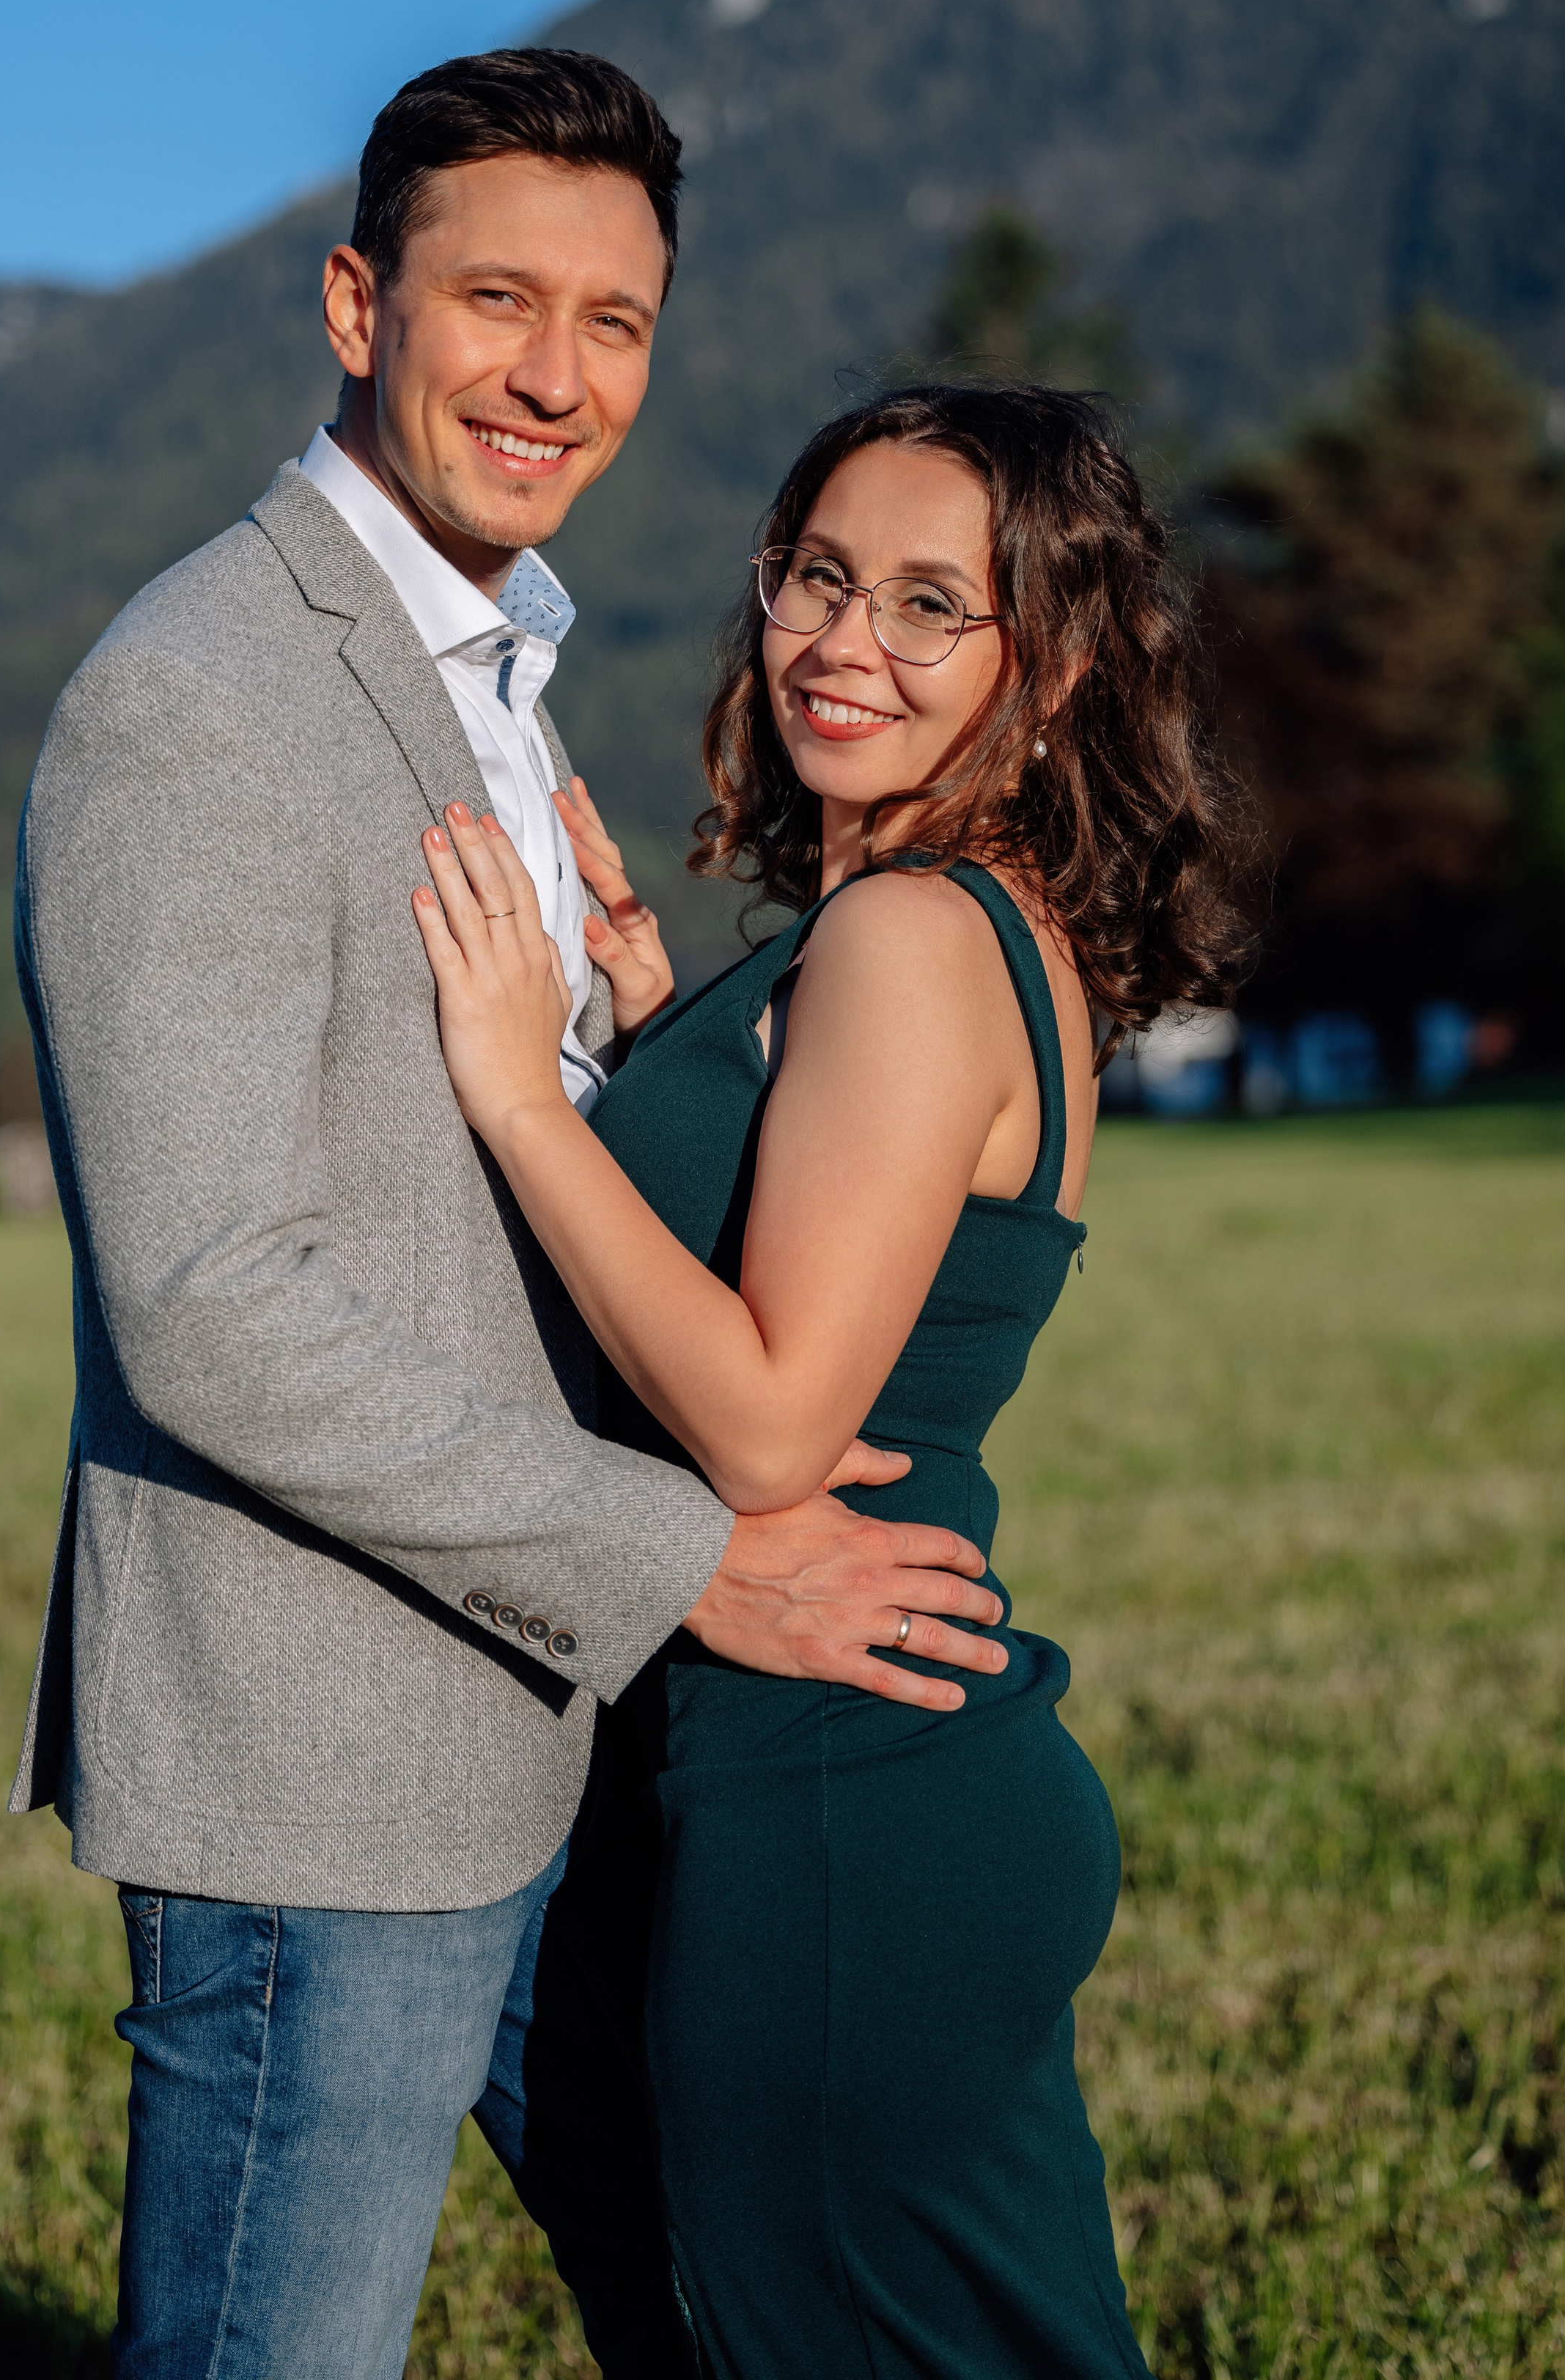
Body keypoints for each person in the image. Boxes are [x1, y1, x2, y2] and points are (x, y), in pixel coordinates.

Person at [7, 52, 1007, 2379]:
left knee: (734, 2310)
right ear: (359, 305)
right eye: (497, 301)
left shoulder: (491, 674)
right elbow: (210, 1301)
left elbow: (458, 1177)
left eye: (616, 321)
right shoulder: (196, 702)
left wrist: (643, 1050)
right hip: (327, 1755)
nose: (559, 375)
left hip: (554, 1710)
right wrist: (690, 1561)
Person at [413, 381, 1254, 2377]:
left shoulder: (906, 937)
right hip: (903, 1778)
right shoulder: (976, 933)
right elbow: (835, 1234)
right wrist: (670, 1044)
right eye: (816, 576)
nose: (842, 640)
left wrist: (521, 1097)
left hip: (831, 1797)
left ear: (1051, 667)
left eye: (930, 604)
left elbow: (776, 1420)